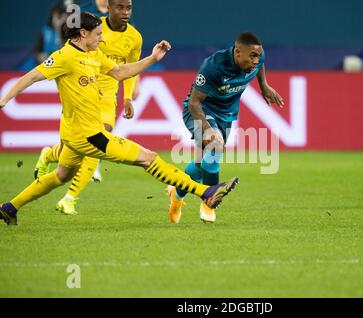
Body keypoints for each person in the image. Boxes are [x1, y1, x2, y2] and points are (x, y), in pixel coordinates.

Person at [0, 12, 238, 226]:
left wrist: (153, 58)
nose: (102, 39)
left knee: (62, 176)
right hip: (90, 136)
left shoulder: (93, 55)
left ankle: (10, 208)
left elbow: (120, 71)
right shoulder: (64, 57)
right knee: (148, 158)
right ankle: (205, 192)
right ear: (82, 34)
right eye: (98, 34)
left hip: (72, 134)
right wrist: (4, 98)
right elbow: (31, 77)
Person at [34, 0, 142, 215]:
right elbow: (71, 49)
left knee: (100, 138)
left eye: (128, 8)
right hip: (85, 91)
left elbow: (128, 69)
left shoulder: (134, 37)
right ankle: (48, 154)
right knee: (75, 150)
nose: (125, 12)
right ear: (110, 7)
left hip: (108, 96)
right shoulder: (93, 28)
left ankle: (70, 197)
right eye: (121, 7)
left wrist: (128, 97)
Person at [167, 32, 283, 224]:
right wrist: (207, 129)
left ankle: (176, 194)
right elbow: (194, 103)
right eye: (251, 56)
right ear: (237, 53)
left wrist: (264, 85)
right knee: (216, 146)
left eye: (258, 56)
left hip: (226, 115)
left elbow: (260, 64)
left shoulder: (258, 57)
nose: (256, 60)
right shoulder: (214, 66)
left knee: (201, 164)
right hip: (200, 111)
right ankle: (209, 201)